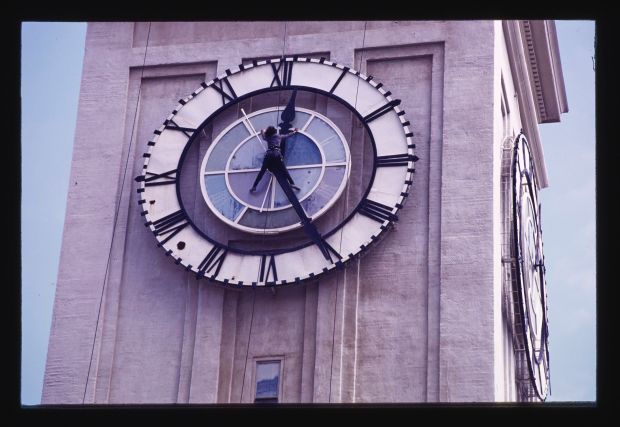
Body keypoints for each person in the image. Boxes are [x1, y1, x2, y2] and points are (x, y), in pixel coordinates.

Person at [250, 125, 301, 192]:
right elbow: (287, 135)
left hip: (268, 155)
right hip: (277, 154)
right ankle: (292, 183)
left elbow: (263, 137)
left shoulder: (268, 137)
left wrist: (262, 131)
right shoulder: (278, 136)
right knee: (284, 170)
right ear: (274, 131)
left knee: (262, 171)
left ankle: (254, 186)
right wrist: (294, 131)